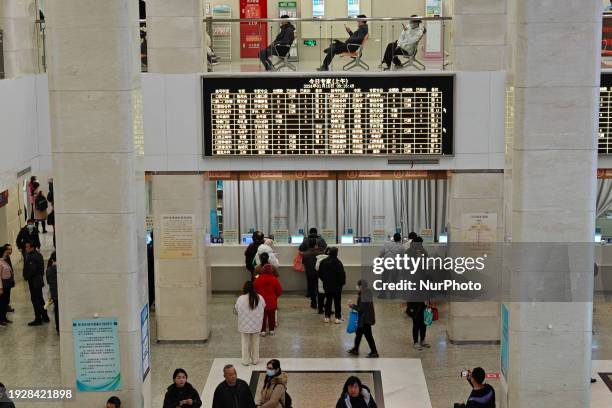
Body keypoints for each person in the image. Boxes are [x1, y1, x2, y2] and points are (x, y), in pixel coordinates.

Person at [405, 236, 430, 350]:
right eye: (417, 244)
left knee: (423, 319)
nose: (419, 246)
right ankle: (416, 341)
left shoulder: (424, 252)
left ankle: (423, 339)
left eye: (420, 244)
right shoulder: (408, 253)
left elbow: (427, 270)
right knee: (416, 318)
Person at [235, 280, 265, 365]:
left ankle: (245, 361)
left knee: (245, 343)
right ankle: (255, 360)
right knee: (255, 343)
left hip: (244, 325)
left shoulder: (240, 298)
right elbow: (264, 306)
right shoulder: (260, 297)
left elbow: (236, 309)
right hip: (256, 325)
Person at [347, 280, 379, 358]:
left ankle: (374, 352)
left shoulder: (364, 295)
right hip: (363, 318)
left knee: (368, 336)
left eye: (357, 286)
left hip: (365, 320)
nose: (356, 287)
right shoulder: (365, 293)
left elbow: (361, 309)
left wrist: (352, 305)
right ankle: (355, 349)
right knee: (358, 334)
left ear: (361, 286)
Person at [23, 241, 49, 326]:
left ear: (32, 247)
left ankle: (38, 319)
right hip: (38, 281)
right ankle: (45, 317)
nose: (26, 248)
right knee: (40, 299)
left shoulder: (32, 256)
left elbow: (32, 270)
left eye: (27, 247)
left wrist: (26, 276)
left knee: (35, 300)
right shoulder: (38, 254)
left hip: (34, 282)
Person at [319, 247, 346, 324]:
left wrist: (325, 281)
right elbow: (342, 275)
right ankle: (337, 318)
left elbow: (320, 274)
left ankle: (327, 317)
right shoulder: (338, 263)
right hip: (337, 286)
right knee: (337, 301)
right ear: (336, 253)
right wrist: (342, 284)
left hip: (327, 285)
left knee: (328, 301)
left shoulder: (323, 262)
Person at [254, 264, 282, 336]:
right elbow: (279, 291)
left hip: (261, 301)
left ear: (263, 270)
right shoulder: (274, 279)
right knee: (271, 316)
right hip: (272, 301)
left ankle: (263, 331)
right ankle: (271, 330)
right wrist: (275, 296)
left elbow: (254, 289)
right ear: (271, 270)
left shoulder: (258, 279)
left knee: (262, 316)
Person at [378, 233, 406, 299]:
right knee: (394, 281)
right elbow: (403, 257)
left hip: (386, 265)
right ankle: (392, 295)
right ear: (400, 239)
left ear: (393, 238)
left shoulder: (387, 244)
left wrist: (378, 260)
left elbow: (381, 254)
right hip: (395, 266)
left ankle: (382, 294)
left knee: (384, 280)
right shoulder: (402, 247)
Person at [302, 238, 323, 311]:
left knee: (311, 288)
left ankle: (313, 303)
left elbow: (303, 263)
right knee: (319, 289)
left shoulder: (305, 253)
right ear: (316, 245)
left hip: (309, 273)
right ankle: (321, 305)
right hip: (319, 273)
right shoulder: (320, 253)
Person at [0, 245, 14, 325]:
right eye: (5, 252)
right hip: (3, 286)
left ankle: (4, 318)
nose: (7, 253)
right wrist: (1, 288)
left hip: (7, 285)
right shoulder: (0, 262)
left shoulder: (4, 261)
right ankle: (1, 319)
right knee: (2, 303)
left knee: (5, 302)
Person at [46, 251, 59, 333]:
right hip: (58, 294)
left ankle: (58, 328)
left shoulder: (49, 269)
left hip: (54, 293)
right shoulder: (55, 269)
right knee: (59, 311)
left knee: (57, 310)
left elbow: (48, 281)